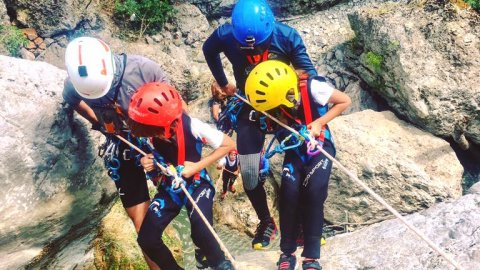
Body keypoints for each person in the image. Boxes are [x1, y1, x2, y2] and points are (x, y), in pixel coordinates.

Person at [202, 0, 317, 250]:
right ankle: (266, 221)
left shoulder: (286, 37)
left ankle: (298, 223)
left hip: (285, 105)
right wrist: (223, 82)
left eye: (258, 47)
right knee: (250, 171)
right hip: (250, 104)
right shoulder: (226, 34)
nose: (252, 54)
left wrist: (295, 90)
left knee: (298, 169)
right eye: (245, 49)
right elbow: (208, 49)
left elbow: (311, 76)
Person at [63, 36, 171, 269]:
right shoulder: (78, 83)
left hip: (157, 137)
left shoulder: (143, 70)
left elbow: (174, 107)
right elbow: (72, 99)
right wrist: (98, 123)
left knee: (184, 194)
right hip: (122, 145)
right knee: (141, 223)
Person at [245, 60, 351, 270]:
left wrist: (319, 123)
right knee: (289, 196)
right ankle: (287, 252)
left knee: (314, 194)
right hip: (295, 150)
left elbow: (344, 101)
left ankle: (311, 258)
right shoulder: (270, 103)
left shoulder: (312, 87)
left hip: (318, 147)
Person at [127, 82, 235, 270]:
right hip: (170, 188)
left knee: (201, 231)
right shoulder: (148, 134)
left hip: (197, 183)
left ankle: (220, 264)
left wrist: (196, 166)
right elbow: (149, 157)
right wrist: (147, 163)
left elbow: (228, 144)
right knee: (147, 239)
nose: (153, 135)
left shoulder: (192, 126)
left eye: (154, 131)